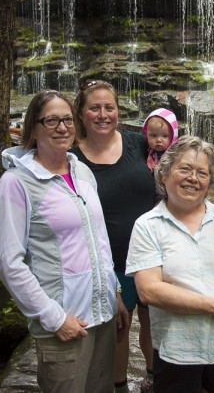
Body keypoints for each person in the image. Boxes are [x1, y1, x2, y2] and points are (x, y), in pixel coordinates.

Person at [0, 89, 121, 393]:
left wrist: (114, 291)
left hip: (102, 317)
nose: (61, 128)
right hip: (64, 323)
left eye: (66, 119)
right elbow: (8, 262)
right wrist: (54, 318)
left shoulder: (82, 171)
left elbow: (98, 240)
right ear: (32, 128)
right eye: (51, 120)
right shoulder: (16, 183)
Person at [126, 135, 214, 393]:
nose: (193, 178)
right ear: (164, 174)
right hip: (177, 351)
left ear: (209, 181)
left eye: (202, 173)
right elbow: (149, 290)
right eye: (185, 169)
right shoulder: (147, 226)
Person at [69, 79, 155, 393]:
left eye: (110, 107)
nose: (103, 114)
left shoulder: (141, 144)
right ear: (81, 113)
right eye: (95, 108)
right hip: (108, 265)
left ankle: (154, 379)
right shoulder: (71, 160)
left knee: (154, 325)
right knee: (119, 328)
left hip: (151, 260)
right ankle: (118, 387)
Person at [142, 107, 179, 172]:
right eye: (154, 135)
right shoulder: (144, 150)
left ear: (173, 137)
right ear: (146, 134)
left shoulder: (175, 156)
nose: (158, 140)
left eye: (165, 136)